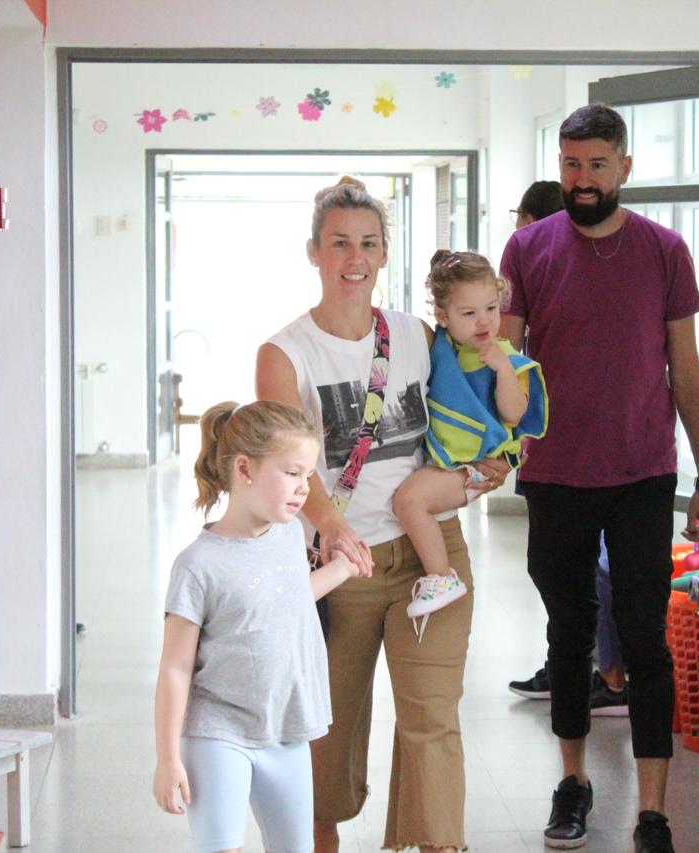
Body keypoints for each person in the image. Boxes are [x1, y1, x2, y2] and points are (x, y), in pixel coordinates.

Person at [255, 176, 507, 853]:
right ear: (314, 251)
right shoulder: (284, 354)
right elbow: (284, 466)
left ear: (385, 253)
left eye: (368, 243)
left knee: (432, 718)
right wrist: (331, 525)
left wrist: (488, 464)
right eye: (340, 243)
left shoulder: (416, 334)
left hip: (431, 555)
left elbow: (466, 413)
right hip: (339, 568)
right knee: (327, 730)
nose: (355, 257)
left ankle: (439, 844)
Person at [499, 105, 699, 853]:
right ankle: (574, 783)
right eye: (571, 164)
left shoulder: (664, 250)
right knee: (568, 636)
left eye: (597, 164)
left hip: (643, 474)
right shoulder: (527, 249)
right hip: (556, 474)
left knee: (645, 642)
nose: (583, 179)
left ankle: (652, 812)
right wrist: (490, 448)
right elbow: (504, 365)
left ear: (625, 167)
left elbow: (686, 369)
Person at [152, 400, 368, 853]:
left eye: (307, 475)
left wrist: (342, 570)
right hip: (218, 732)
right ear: (245, 468)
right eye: (291, 473)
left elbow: (284, 600)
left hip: (286, 730)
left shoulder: (288, 535)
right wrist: (168, 758)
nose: (304, 488)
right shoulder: (197, 564)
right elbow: (175, 667)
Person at [504, 180, 630, 717]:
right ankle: (575, 666)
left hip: (594, 454)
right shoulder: (540, 268)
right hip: (551, 449)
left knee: (591, 572)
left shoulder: (560, 260)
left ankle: (609, 676)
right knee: (562, 574)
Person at [392, 249, 547, 640]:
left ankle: (441, 577)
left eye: (491, 308)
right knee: (410, 500)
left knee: (409, 501)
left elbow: (514, 413)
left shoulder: (504, 357)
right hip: (452, 459)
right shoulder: (441, 348)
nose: (484, 321)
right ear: (442, 316)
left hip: (478, 465)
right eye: (469, 313)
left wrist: (504, 370)